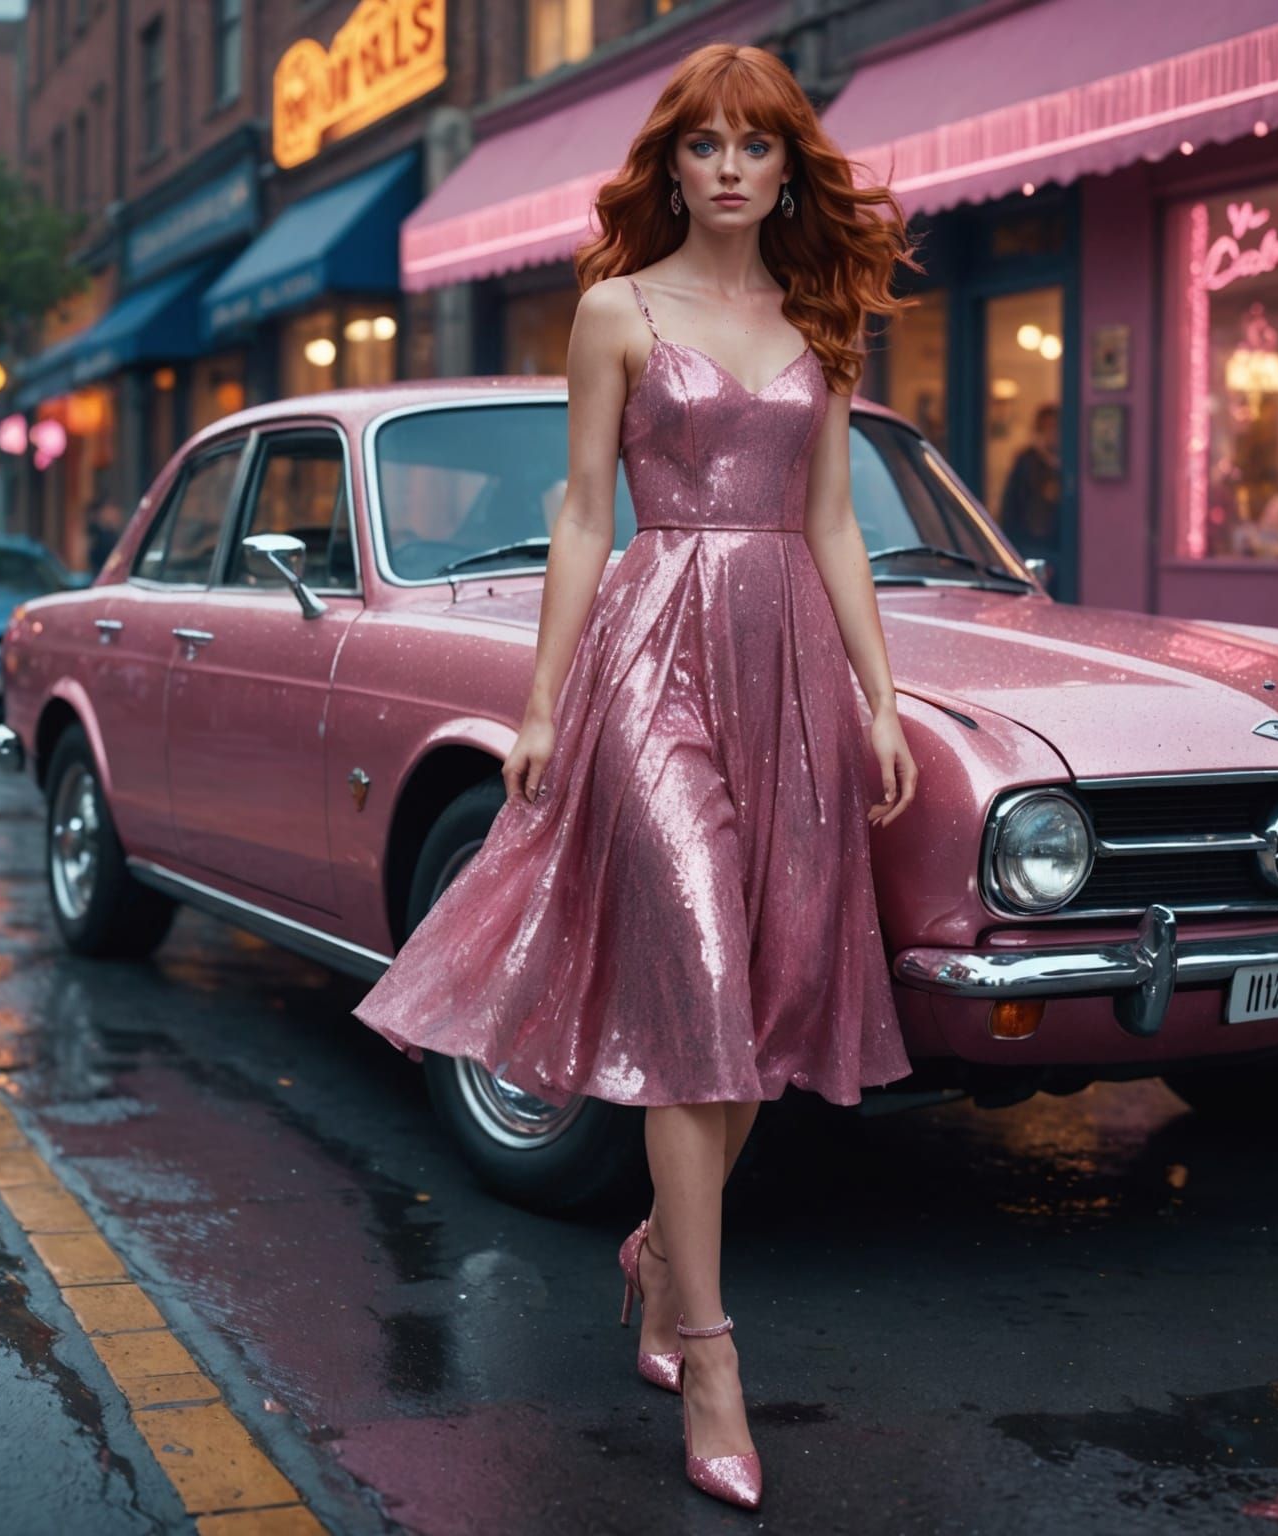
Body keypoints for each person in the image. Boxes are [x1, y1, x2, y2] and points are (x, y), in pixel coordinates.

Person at [350, 44, 922, 1510]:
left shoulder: (819, 320)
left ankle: (664, 1252)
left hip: (789, 656)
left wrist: (879, 694)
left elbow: (839, 528)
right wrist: (542, 702)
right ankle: (711, 1351)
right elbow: (583, 518)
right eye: (705, 144)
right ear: (671, 165)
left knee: (766, 1000)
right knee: (697, 987)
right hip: (653, 661)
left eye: (757, 144)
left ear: (789, 168)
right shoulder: (613, 312)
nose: (730, 165)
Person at [998, 403, 1060, 550]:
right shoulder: (1026, 460)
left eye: (1056, 427)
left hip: (1060, 541)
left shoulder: (1071, 463)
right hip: (1030, 540)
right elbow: (1011, 503)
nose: (1053, 433)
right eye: (1047, 427)